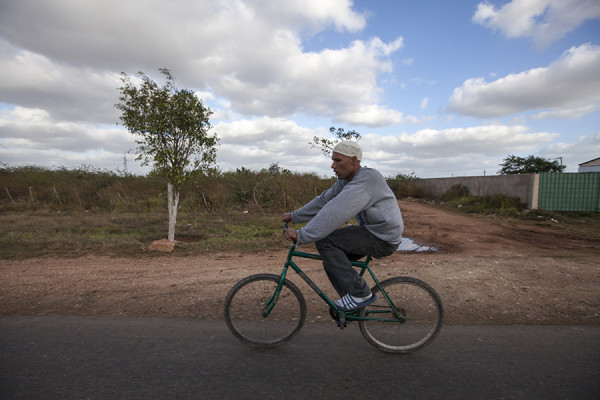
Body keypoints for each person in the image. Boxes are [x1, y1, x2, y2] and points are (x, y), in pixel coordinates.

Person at [283, 141, 404, 311]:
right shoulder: (347, 180)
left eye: (338, 160)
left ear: (354, 161)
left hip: (383, 238)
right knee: (331, 259)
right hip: (373, 232)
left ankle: (360, 293)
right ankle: (351, 301)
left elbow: (336, 210)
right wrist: (295, 216)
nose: (333, 166)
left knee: (326, 242)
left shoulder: (367, 179)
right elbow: (324, 200)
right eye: (333, 160)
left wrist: (302, 234)